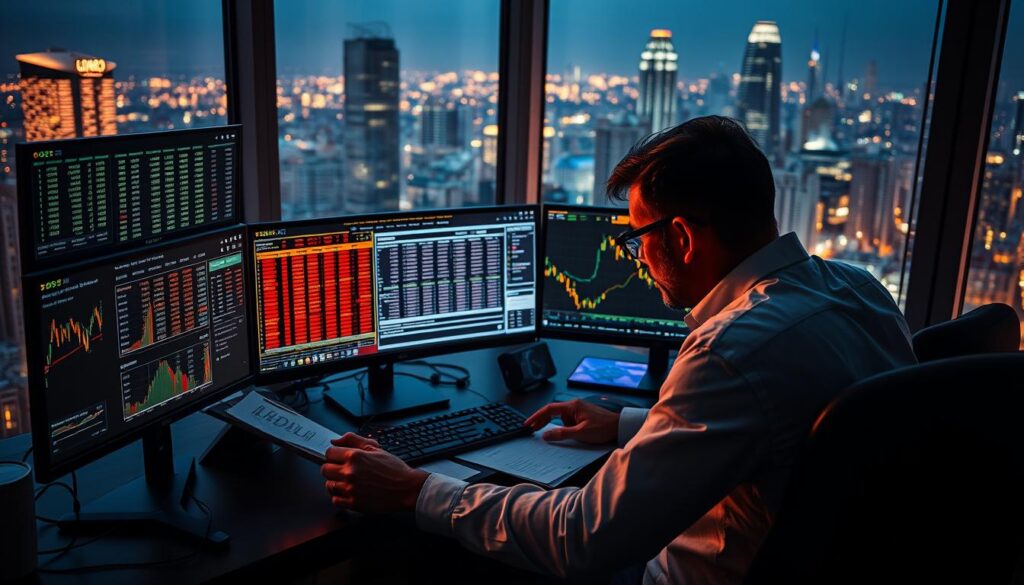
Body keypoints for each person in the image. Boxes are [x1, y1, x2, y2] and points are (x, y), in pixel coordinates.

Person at [321, 116, 917, 584]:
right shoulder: (860, 287)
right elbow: (771, 432)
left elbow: (582, 539)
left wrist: (414, 490)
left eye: (636, 238)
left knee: (430, 557)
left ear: (681, 237)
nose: (634, 256)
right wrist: (629, 424)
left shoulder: (730, 349)